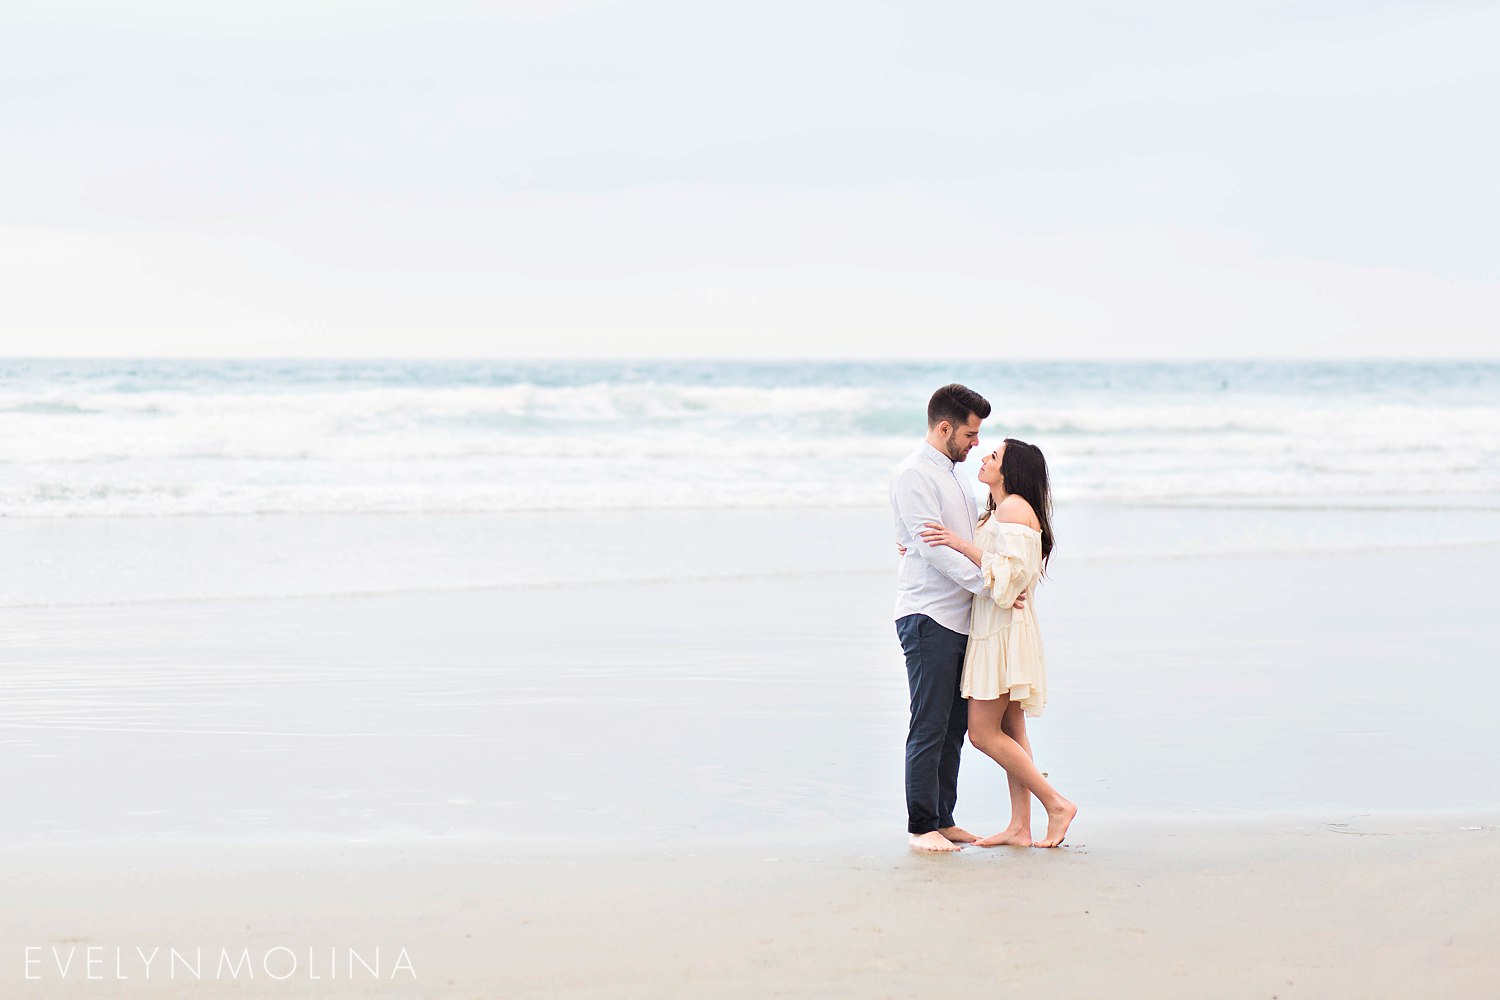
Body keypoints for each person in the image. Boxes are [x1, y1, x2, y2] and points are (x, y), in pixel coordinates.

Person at [919, 439, 1077, 847]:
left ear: (1009, 471)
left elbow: (1008, 580)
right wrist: (922, 547)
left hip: (1003, 632)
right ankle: (1020, 827)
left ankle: (1056, 804)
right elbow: (999, 568)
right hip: (999, 628)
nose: (984, 457)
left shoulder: (1014, 508)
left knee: (982, 733)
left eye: (994, 456)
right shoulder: (997, 511)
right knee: (1010, 728)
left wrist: (959, 543)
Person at [889, 384, 1025, 853]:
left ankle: (943, 817)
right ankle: (921, 825)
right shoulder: (913, 474)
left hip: (960, 618)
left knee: (951, 727)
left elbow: (956, 540)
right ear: (944, 427)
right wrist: (992, 585)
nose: (975, 444)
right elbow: (931, 548)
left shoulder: (955, 476)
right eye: (969, 434)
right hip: (927, 616)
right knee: (928, 723)